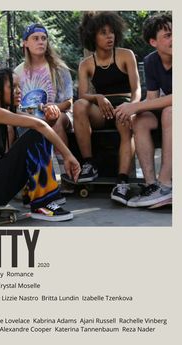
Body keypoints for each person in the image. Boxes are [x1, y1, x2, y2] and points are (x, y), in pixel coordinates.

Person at [0, 68, 81, 222]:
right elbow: (39, 128)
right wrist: (68, 155)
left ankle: (37, 198)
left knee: (37, 134)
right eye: (13, 87)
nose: (19, 91)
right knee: (36, 133)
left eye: (19, 86)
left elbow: (44, 126)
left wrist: (51, 119)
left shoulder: (3, 111)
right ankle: (41, 204)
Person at [73, 11, 141, 204]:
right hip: (101, 109)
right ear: (93, 35)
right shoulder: (86, 64)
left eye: (112, 32)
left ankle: (122, 182)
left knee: (125, 125)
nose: (109, 36)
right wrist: (98, 97)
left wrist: (131, 106)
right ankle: (89, 164)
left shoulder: (126, 55)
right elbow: (83, 95)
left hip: (125, 105)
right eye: (103, 32)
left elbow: (137, 90)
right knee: (79, 106)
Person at [115, 13, 172, 207]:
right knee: (141, 119)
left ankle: (165, 185)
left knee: (170, 112)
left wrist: (135, 105)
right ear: (153, 42)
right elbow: (153, 100)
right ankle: (151, 186)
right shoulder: (150, 61)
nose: (174, 39)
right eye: (168, 35)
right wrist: (134, 111)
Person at [14, 23, 74, 193]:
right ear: (25, 43)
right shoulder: (18, 72)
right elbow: (15, 103)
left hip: (60, 114)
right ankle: (31, 181)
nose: (41, 42)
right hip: (29, 118)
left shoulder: (59, 68)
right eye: (35, 38)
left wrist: (55, 107)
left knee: (55, 120)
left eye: (44, 38)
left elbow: (69, 101)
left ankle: (67, 176)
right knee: (17, 126)